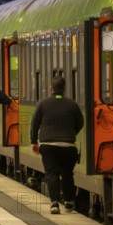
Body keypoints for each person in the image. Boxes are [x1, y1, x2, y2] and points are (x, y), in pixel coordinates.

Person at [31, 76, 83, 214]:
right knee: (67, 173)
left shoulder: (43, 104)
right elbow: (80, 122)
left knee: (52, 173)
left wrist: (33, 142)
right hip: (68, 146)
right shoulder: (72, 104)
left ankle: (54, 203)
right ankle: (68, 201)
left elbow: (34, 124)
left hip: (48, 145)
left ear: (51, 88)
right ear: (64, 88)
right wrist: (70, 134)